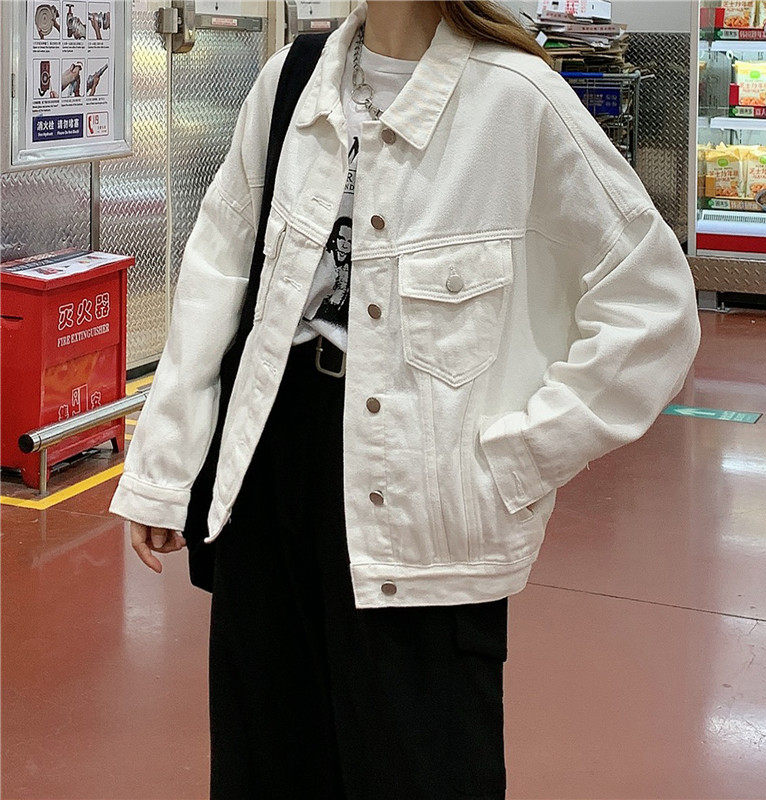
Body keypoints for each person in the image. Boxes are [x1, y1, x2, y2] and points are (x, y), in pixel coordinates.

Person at [108, 1, 702, 798]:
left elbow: (653, 308)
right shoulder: (291, 79)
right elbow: (219, 267)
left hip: (424, 497)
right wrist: (166, 469)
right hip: (269, 467)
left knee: (418, 765)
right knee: (267, 763)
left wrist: (513, 462)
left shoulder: (517, 100)